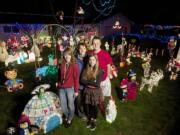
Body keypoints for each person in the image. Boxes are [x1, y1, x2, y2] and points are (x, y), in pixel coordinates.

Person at [56, 47, 79, 128]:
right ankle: (66, 115)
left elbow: (76, 78)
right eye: (65, 55)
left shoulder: (74, 65)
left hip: (70, 88)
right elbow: (59, 76)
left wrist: (76, 90)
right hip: (61, 88)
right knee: (63, 105)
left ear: (71, 55)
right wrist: (58, 83)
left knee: (70, 105)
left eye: (68, 55)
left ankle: (70, 118)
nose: (67, 57)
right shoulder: (61, 64)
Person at [81, 54, 103, 131]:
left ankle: (94, 120)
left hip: (95, 91)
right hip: (87, 90)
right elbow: (82, 80)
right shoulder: (86, 69)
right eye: (90, 60)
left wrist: (87, 81)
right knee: (88, 105)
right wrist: (92, 81)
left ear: (96, 61)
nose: (92, 61)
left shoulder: (99, 70)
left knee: (94, 106)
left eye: (93, 60)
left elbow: (97, 84)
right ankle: (90, 118)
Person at [75, 43, 88, 120]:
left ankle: (86, 111)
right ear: (78, 50)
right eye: (80, 48)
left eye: (83, 48)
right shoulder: (75, 60)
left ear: (86, 49)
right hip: (78, 85)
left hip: (87, 85)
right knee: (78, 101)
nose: (82, 50)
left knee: (86, 100)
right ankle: (80, 114)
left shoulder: (89, 58)